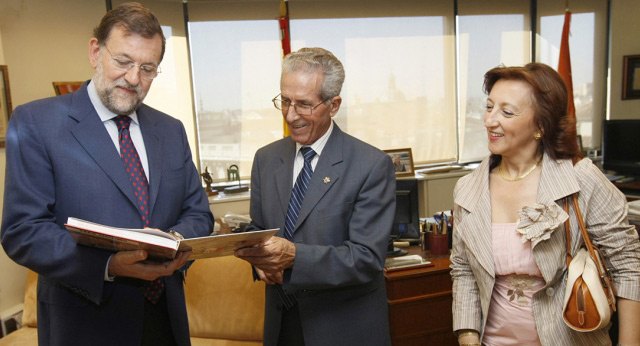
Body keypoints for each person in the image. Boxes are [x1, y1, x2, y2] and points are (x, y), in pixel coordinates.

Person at [0, 3, 214, 346]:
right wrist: (109, 264)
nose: (133, 78)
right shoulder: (36, 123)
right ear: (95, 51)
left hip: (165, 322)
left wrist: (167, 243)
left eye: (147, 68)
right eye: (123, 62)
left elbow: (198, 213)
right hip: (84, 323)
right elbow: (22, 231)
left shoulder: (171, 129)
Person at [450, 63, 640, 346]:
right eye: (489, 107)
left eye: (507, 111)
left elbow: (627, 265)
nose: (490, 120)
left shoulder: (579, 178)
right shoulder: (468, 189)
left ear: (540, 124)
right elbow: (463, 270)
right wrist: (468, 337)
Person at [235, 47, 395, 346]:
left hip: (342, 327)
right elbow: (259, 229)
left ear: (333, 105)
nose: (290, 115)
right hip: (282, 324)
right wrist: (257, 261)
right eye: (285, 101)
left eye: (304, 105)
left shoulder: (371, 165)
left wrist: (294, 256)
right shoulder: (266, 159)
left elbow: (366, 258)